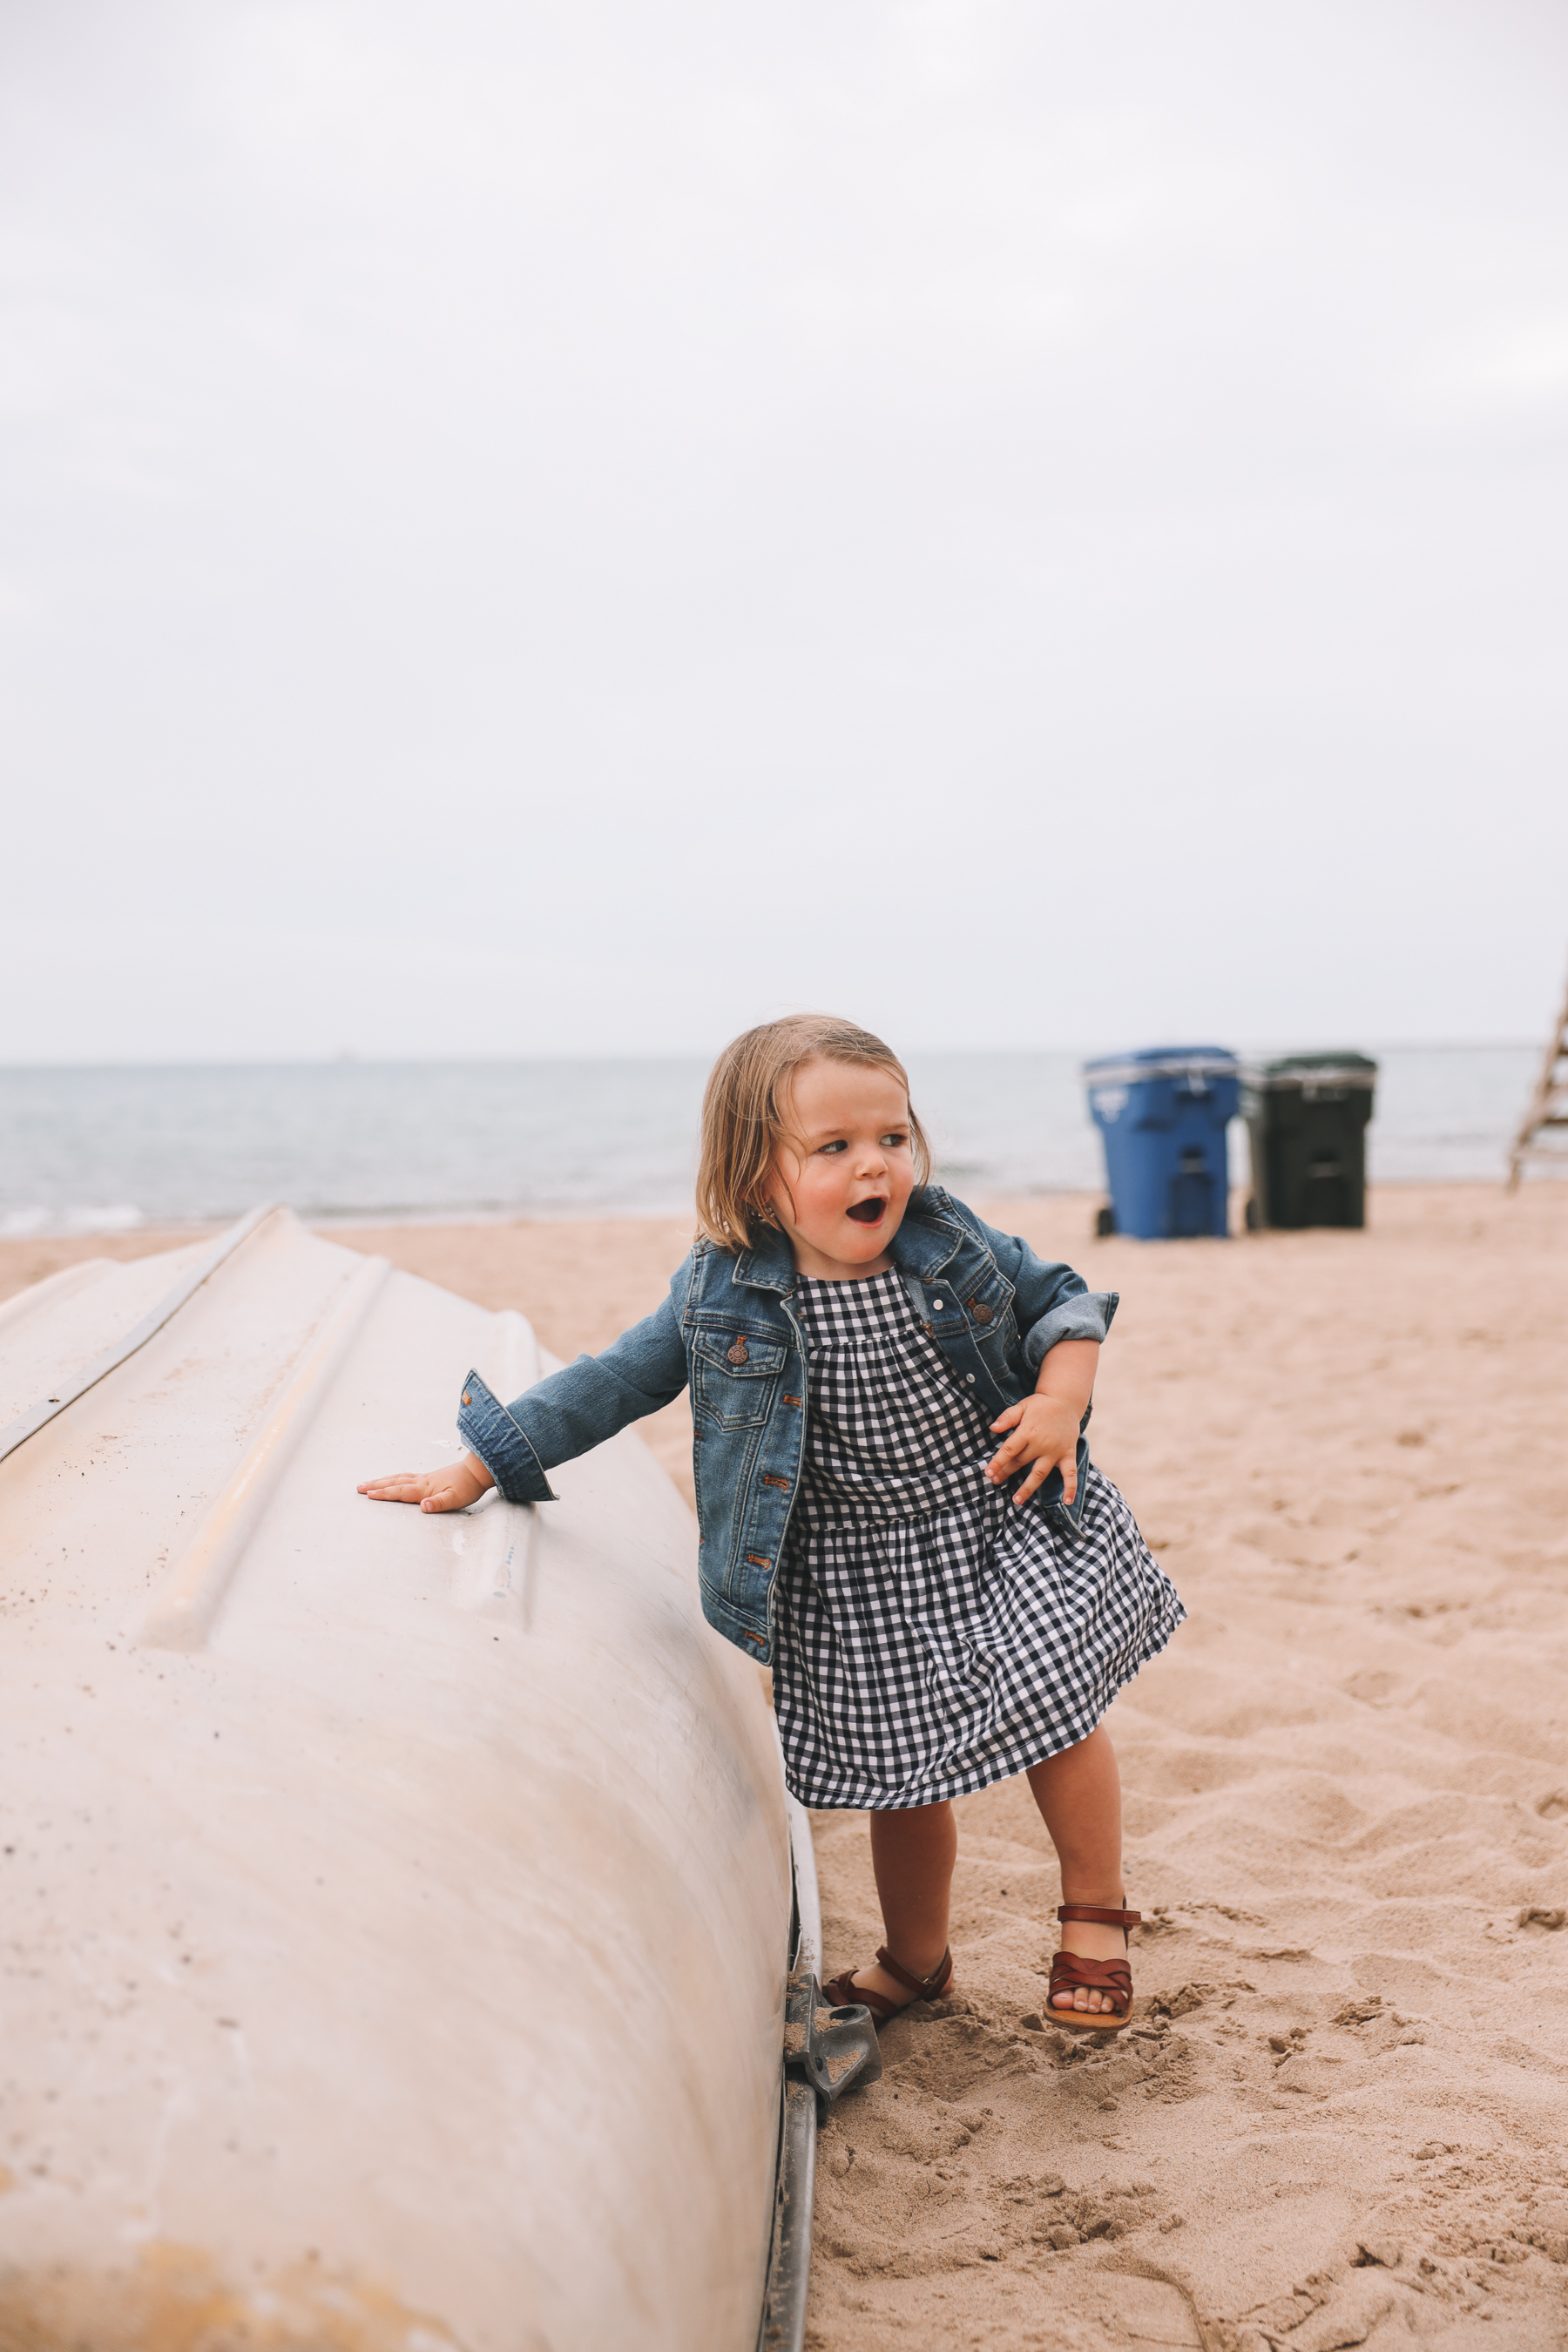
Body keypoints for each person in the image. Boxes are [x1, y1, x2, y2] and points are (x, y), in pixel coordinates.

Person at [360, 1015, 1184, 2031]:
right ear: (757, 1177)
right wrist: (482, 1462)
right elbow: (614, 1382)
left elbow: (1063, 1303)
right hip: (856, 1569)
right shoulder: (720, 1292)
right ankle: (917, 1962)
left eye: (891, 1137)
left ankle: (1094, 1919)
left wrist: (1061, 1401)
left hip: (995, 1511)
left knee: (1059, 1705)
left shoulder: (945, 1235)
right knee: (903, 1773)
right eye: (833, 1148)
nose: (874, 1165)